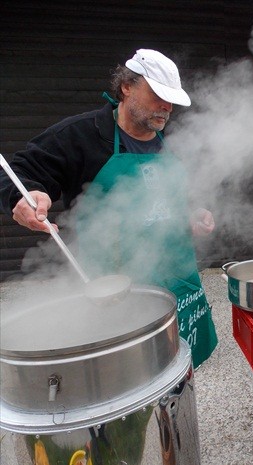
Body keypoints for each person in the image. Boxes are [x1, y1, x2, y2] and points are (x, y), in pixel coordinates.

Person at [0, 48, 218, 369]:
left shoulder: (164, 141)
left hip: (176, 276)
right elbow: (17, 171)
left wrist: (190, 212)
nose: (167, 107)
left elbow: (165, 196)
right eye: (158, 95)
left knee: (175, 367)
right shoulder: (79, 135)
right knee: (125, 374)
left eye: (172, 101)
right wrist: (25, 196)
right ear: (126, 86)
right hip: (113, 286)